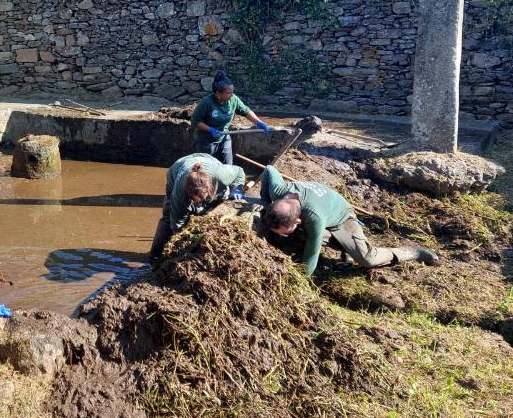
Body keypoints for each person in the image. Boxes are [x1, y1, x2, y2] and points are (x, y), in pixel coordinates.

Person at [260, 165, 438, 275]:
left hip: (342, 217)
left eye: (286, 230)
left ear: (298, 221)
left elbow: (311, 256)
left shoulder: (314, 218)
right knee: (296, 240)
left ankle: (413, 253)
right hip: (320, 210)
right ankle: (344, 248)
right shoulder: (278, 191)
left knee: (367, 259)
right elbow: (269, 169)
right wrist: (265, 201)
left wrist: (301, 279)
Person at [149, 153, 246, 258]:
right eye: (194, 200)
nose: (197, 203)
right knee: (168, 220)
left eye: (201, 199)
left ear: (209, 188)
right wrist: (180, 245)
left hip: (207, 162)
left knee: (212, 210)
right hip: (176, 171)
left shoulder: (220, 175)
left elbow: (239, 172)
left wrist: (237, 188)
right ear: (189, 194)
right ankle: (155, 256)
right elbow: (177, 226)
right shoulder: (179, 194)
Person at [190, 70, 270, 165]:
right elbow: (195, 121)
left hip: (224, 136)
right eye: (229, 93)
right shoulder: (206, 103)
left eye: (232, 92)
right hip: (206, 141)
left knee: (227, 166)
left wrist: (259, 123)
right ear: (218, 93)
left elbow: (246, 111)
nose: (232, 95)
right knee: (207, 168)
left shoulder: (233, 99)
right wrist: (210, 130)